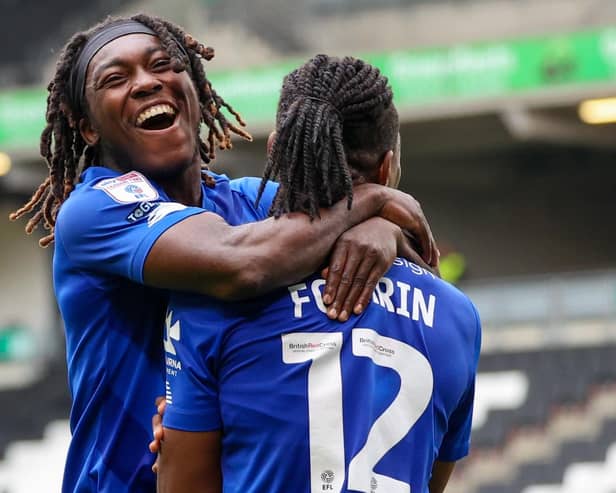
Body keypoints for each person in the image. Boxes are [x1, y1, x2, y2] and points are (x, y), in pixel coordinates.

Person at [8, 14, 438, 493]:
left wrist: (378, 228)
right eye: (116, 78)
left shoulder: (250, 201)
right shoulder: (94, 209)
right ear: (88, 128)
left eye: (164, 65)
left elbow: (345, 220)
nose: (147, 83)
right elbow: (242, 265)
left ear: (195, 87)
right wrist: (372, 204)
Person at [157, 55, 481, 493]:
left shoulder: (210, 301)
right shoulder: (458, 316)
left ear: (275, 151)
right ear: (386, 170)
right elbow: (430, 480)